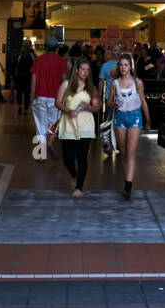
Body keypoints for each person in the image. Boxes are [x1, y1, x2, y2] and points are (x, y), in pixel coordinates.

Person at [55, 59, 100, 196]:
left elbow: (97, 107)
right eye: (83, 69)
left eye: (87, 70)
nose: (85, 72)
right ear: (76, 70)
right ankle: (74, 175)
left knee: (82, 157)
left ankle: (79, 187)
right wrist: (68, 110)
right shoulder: (66, 85)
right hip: (68, 125)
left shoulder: (91, 87)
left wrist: (89, 107)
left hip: (85, 125)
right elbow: (57, 102)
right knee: (68, 158)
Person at [108, 53, 150, 200]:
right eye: (121, 65)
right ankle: (127, 179)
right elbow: (109, 101)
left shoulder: (138, 82)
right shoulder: (114, 83)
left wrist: (148, 120)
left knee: (131, 153)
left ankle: (128, 185)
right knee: (124, 152)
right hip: (120, 117)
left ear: (131, 67)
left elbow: (143, 101)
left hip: (135, 116)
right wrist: (112, 104)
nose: (123, 67)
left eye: (126, 65)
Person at [29, 43, 68, 149]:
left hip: (40, 96)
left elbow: (34, 79)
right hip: (55, 98)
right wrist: (64, 98)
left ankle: (41, 154)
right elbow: (64, 80)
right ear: (57, 48)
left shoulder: (38, 60)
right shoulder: (61, 61)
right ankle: (50, 142)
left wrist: (32, 95)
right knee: (53, 123)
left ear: (46, 47)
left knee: (40, 125)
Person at [98, 43, 120, 156]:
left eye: (118, 50)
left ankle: (120, 145)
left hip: (122, 100)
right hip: (109, 98)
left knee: (120, 122)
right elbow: (101, 82)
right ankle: (107, 146)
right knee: (107, 122)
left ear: (120, 51)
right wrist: (99, 97)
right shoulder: (105, 66)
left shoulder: (124, 65)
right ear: (111, 52)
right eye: (114, 50)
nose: (116, 52)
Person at [13, 40, 35, 116]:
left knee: (19, 92)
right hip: (28, 77)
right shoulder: (32, 55)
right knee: (27, 93)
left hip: (19, 77)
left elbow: (14, 66)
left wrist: (13, 76)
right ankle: (25, 109)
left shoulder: (19, 55)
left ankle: (19, 106)